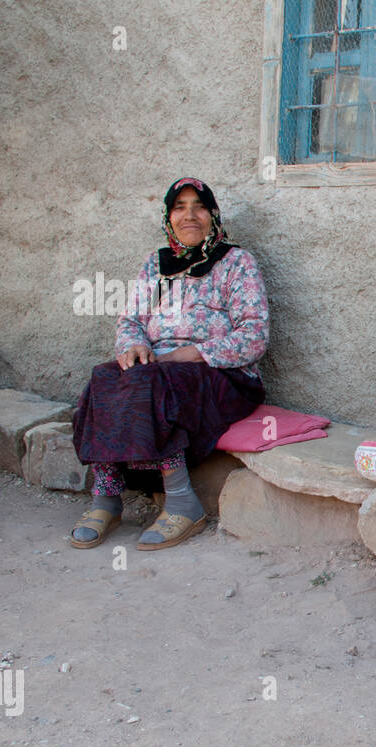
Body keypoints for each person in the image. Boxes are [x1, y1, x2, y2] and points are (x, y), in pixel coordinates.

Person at [71, 177, 268, 551]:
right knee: (105, 377)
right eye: (180, 207)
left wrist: (189, 353)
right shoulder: (155, 265)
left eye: (199, 206)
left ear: (213, 215)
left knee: (154, 384)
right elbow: (131, 321)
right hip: (160, 368)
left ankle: (182, 501)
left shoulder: (236, 263)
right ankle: (107, 498)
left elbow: (255, 336)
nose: (189, 215)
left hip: (222, 374)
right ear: (169, 217)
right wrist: (133, 347)